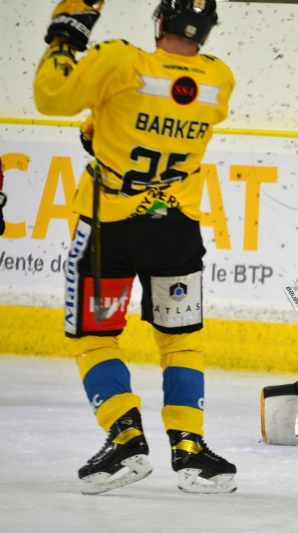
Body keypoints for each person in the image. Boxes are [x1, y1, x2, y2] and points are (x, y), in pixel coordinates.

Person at [33, 0, 236, 494]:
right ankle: (191, 450)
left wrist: (65, 37)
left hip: (110, 227)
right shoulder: (219, 80)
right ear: (207, 32)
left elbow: (50, 96)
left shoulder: (121, 62)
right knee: (182, 338)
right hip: (176, 227)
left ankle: (125, 438)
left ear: (160, 20)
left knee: (93, 335)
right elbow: (166, 108)